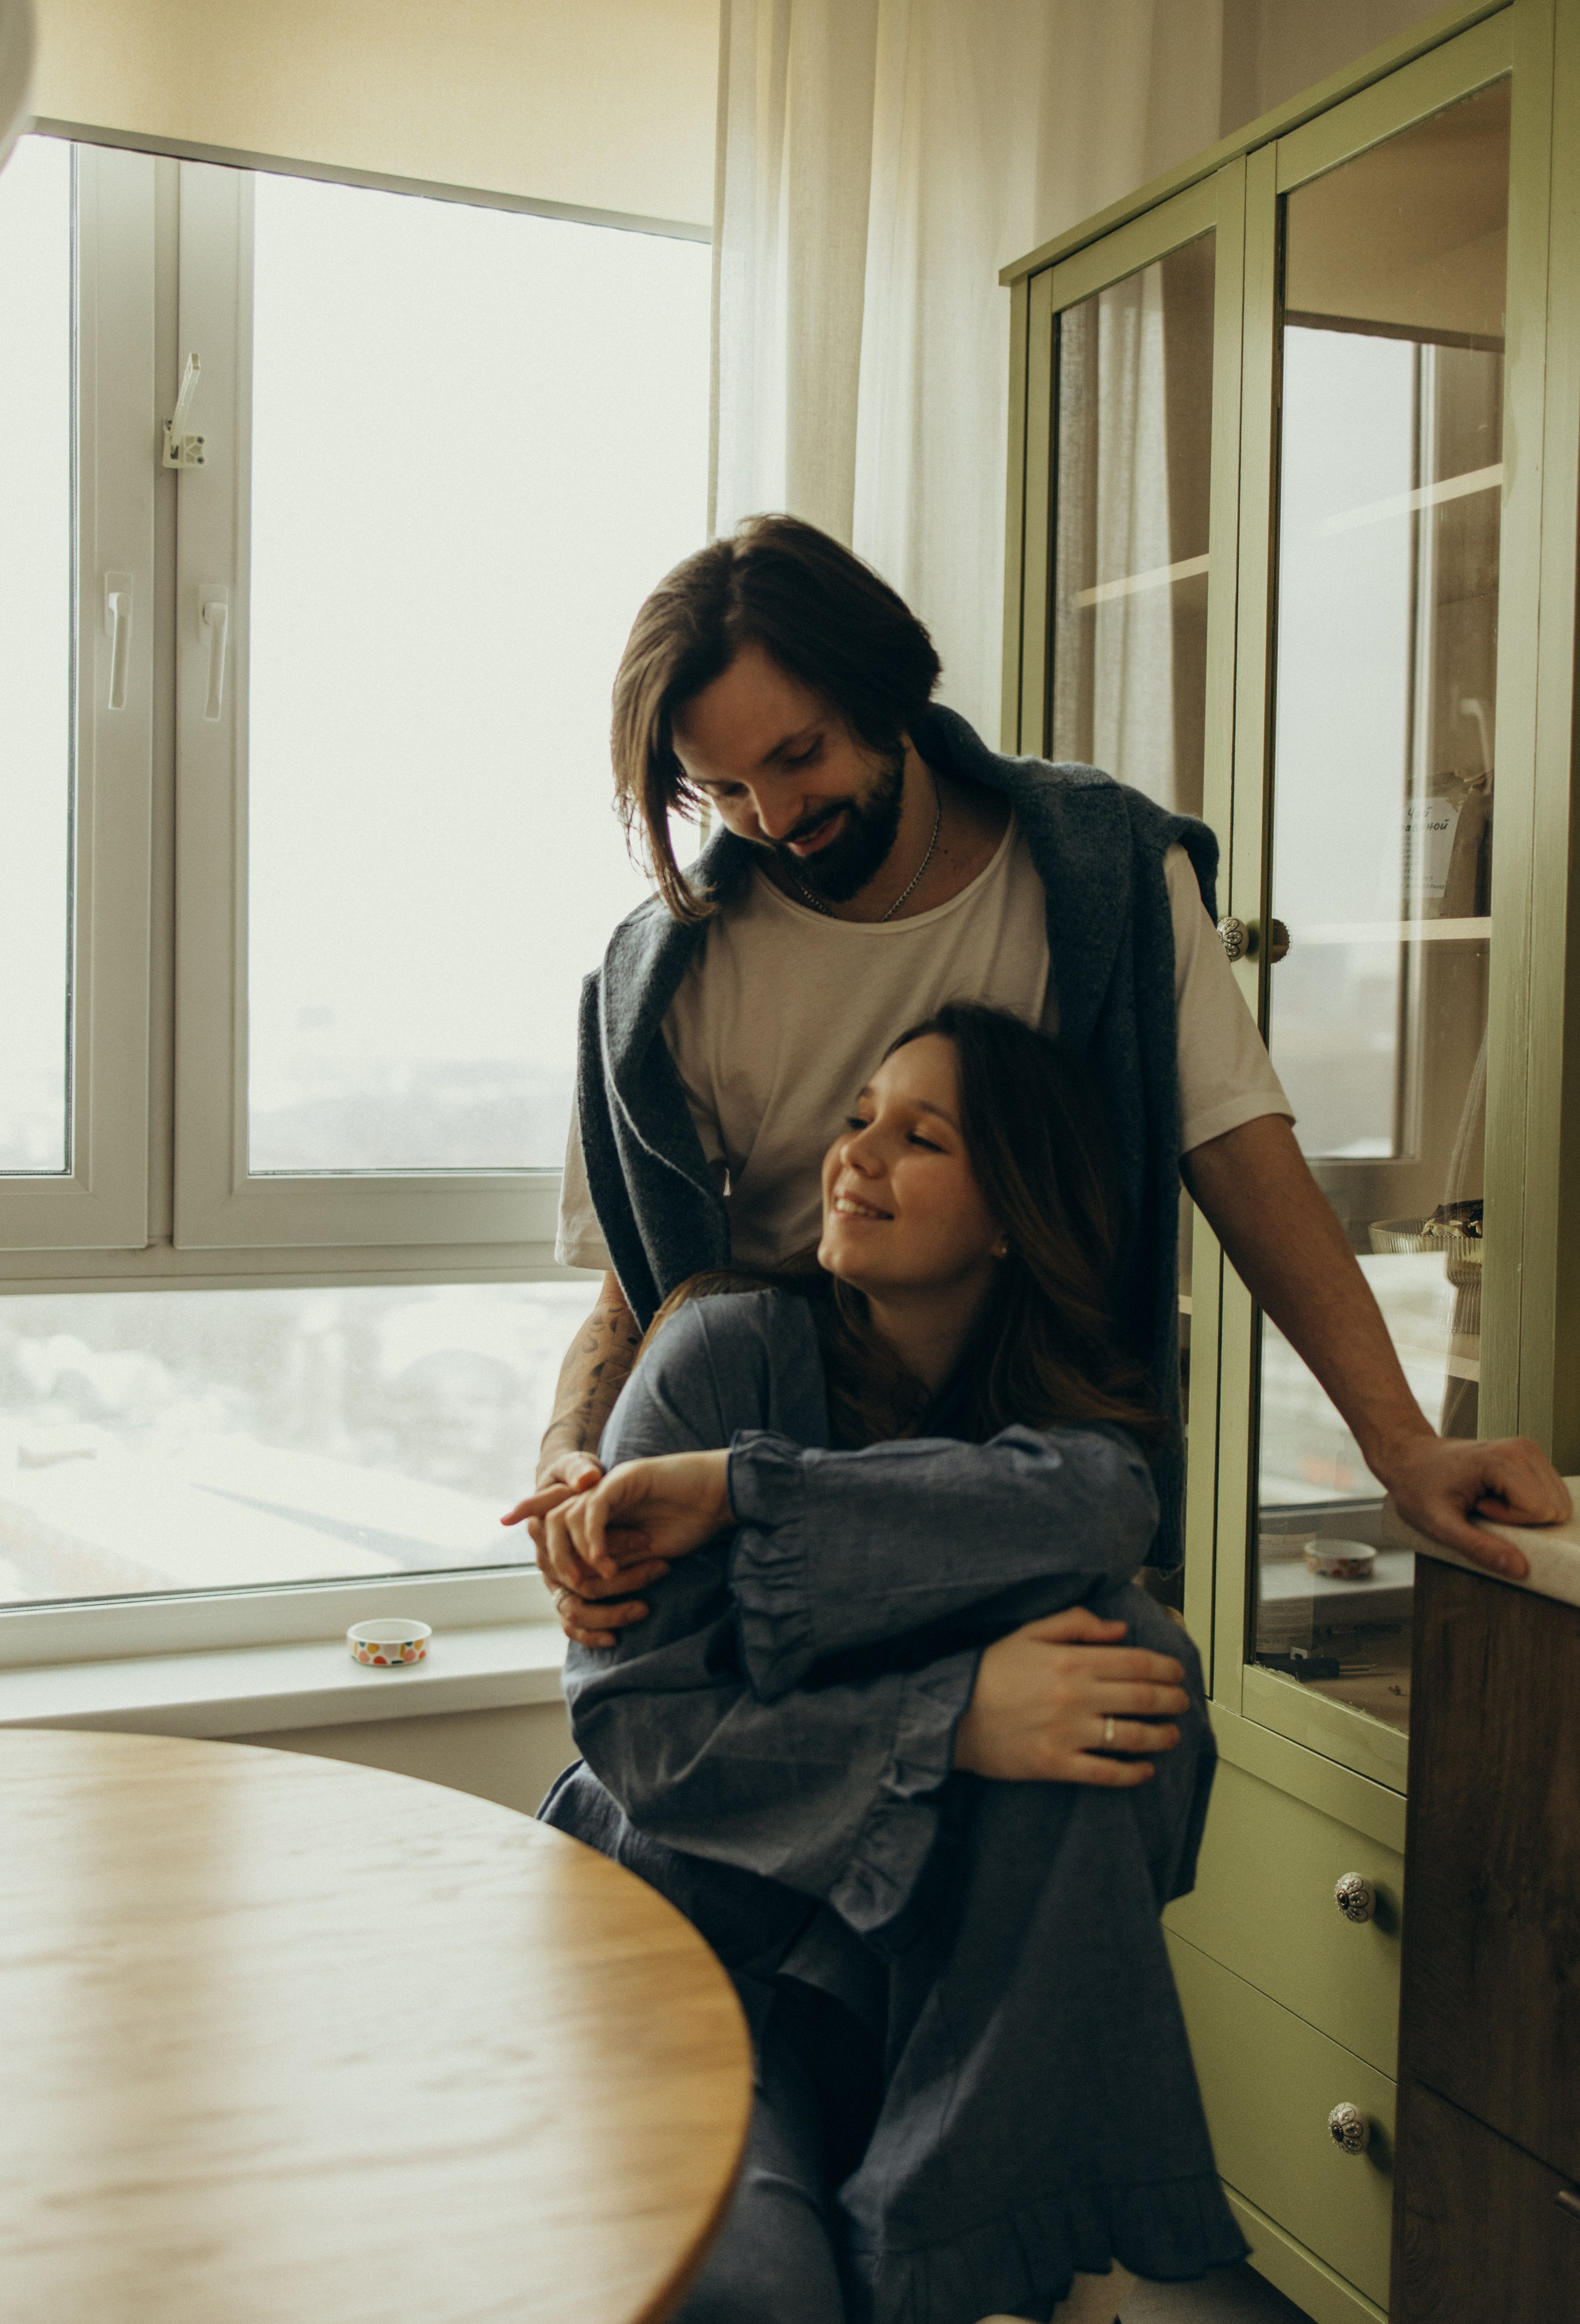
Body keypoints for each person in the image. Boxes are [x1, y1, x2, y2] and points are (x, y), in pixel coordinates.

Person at [509, 514, 1566, 1669]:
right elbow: (630, 1286)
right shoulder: (671, 972)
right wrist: (573, 1451)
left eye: (799, 756)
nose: (771, 819)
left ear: (888, 692)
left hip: (1027, 1463)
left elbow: (1243, 1158)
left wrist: (1405, 1448)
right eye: (723, 791)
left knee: (1135, 1713)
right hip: (772, 1472)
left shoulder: (1102, 873)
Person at [538, 1007, 1250, 2324]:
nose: (853, 1155)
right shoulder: (718, 1352)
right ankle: (948, 2243)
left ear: (1008, 1216)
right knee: (752, 2297)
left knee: (1133, 1654)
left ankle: (937, 2222)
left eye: (918, 1136)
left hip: (906, 1962)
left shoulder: (1054, 1436)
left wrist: (744, 1497)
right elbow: (640, 1738)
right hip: (691, 1938)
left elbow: (1106, 1502)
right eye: (856, 1115)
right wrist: (948, 1719)